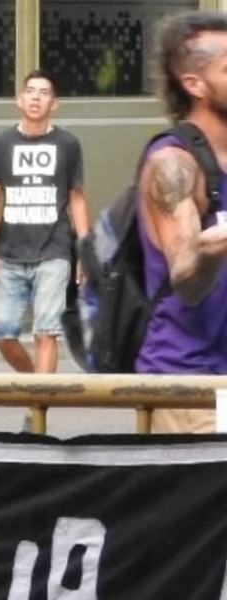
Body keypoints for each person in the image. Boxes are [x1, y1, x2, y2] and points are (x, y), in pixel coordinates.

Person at [136, 11, 227, 433]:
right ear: (194, 84)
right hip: (188, 386)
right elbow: (187, 278)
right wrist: (213, 246)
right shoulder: (173, 164)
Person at [0, 70, 88, 375]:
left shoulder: (68, 144)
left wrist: (85, 250)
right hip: (7, 253)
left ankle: (38, 410)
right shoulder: (1, 144)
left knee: (46, 331)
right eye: (30, 91)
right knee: (3, 333)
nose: (36, 97)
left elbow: (76, 198)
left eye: (44, 92)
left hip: (54, 249)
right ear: (19, 99)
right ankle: (36, 389)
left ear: (54, 103)